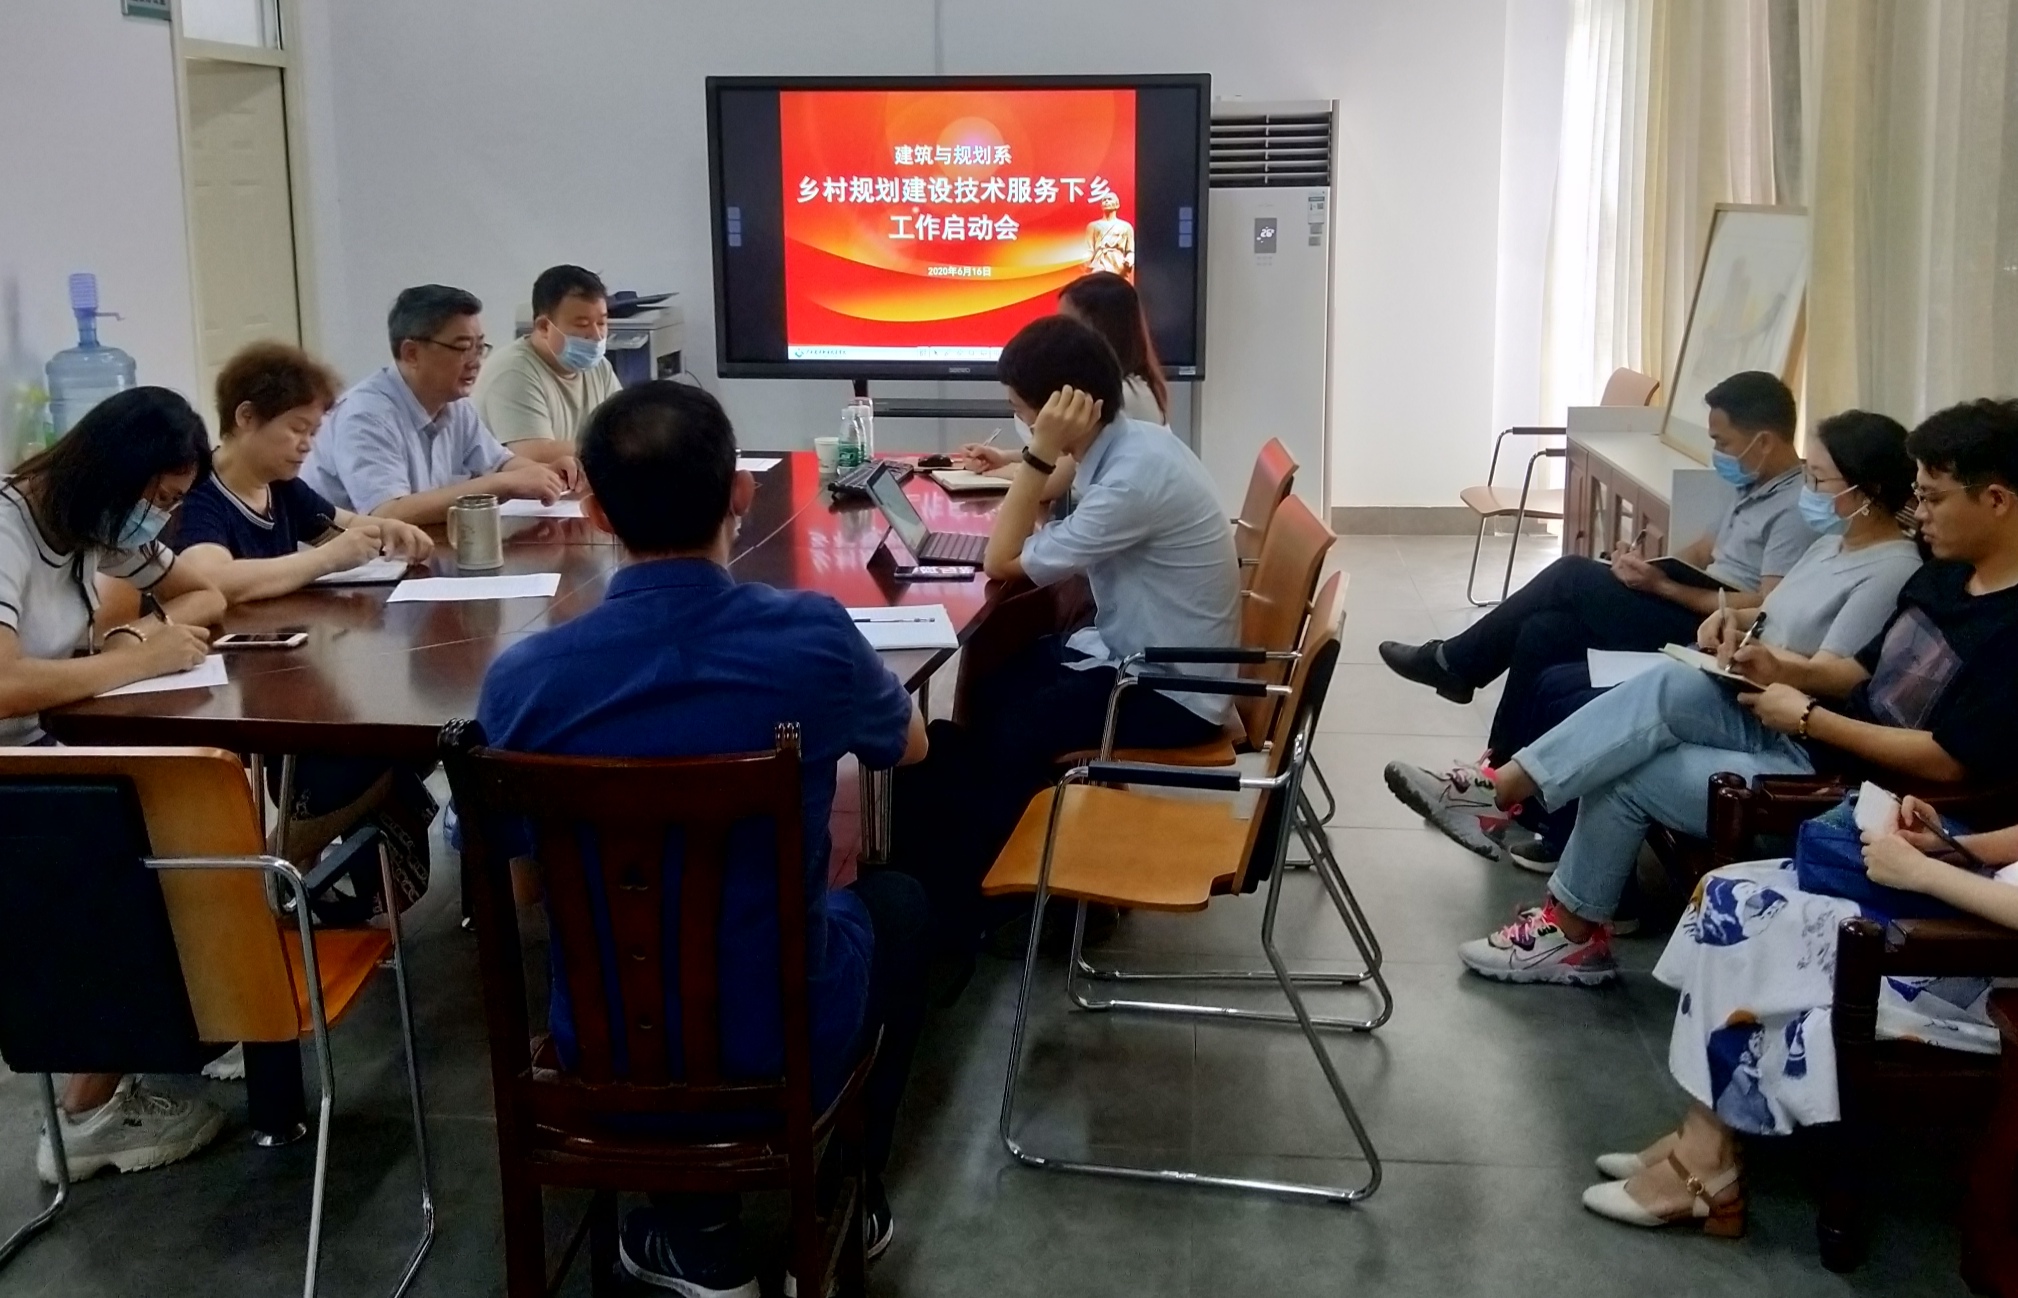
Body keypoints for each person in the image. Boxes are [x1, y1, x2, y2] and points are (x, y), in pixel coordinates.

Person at [475, 380, 931, 1296]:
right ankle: (836, 1202)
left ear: (596, 511)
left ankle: (697, 1232)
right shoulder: (811, 635)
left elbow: (520, 880)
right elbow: (909, 746)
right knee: (898, 906)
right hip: (781, 1037)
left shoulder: (524, 679)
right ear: (740, 492)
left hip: (604, 1049)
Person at [1455, 398, 2018, 986]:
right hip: (1813, 738)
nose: (1918, 513)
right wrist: (1778, 667)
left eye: (1933, 498)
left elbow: (1947, 761)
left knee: (1627, 771)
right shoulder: (1944, 576)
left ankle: (1569, 931)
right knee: (1670, 682)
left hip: (1859, 791)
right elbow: (1859, 671)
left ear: (1997, 500)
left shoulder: (2007, 628)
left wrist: (1809, 718)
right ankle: (1500, 790)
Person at [1390, 410, 1923, 861]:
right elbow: (1769, 607)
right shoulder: (1830, 545)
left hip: (1765, 705)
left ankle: (1490, 770)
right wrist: (1729, 621)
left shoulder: (1891, 570)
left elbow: (1836, 672)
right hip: (1729, 666)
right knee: (1545, 639)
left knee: (1574, 590)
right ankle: (1497, 790)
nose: (1807, 490)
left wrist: (1760, 654)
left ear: (1867, 491)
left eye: (1819, 480)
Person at [894, 315, 1240, 949]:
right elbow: (1034, 528)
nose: (1021, 420)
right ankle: (992, 859)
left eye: (1022, 409)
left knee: (1017, 727)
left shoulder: (1131, 479)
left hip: (1175, 690)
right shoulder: (1130, 446)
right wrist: (1039, 454)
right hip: (1139, 654)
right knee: (997, 685)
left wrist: (1036, 452)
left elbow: (1001, 561)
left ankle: (998, 902)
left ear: (1064, 407)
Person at [1582, 798, 2018, 1234]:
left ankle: (1706, 1164)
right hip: (1973, 902)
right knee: (1729, 887)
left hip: (1980, 970)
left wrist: (1925, 873)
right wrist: (1950, 848)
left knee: (1749, 918)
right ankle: (1704, 1135)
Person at [1, 387, 229, 1184]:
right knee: (149, 855)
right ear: (112, 474)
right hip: (16, 773)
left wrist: (132, 632)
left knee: (203, 809)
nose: (159, 518)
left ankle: (215, 1008)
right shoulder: (10, 527)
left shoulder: (89, 524)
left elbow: (203, 593)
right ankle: (87, 1113)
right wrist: (137, 661)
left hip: (49, 748)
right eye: (158, 497)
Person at [169, 341, 440, 922]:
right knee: (371, 752)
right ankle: (269, 868)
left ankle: (294, 870)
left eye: (313, 432)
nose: (306, 445)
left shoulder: (282, 487)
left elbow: (343, 524)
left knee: (399, 743)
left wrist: (389, 529)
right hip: (221, 688)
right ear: (246, 417)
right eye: (296, 429)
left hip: (281, 672)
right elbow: (215, 580)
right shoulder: (203, 496)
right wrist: (326, 558)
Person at [300, 284, 577, 526]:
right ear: (411, 353)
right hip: (351, 564)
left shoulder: (456, 405)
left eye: (480, 347)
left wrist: (546, 473)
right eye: (463, 347)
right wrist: (502, 485)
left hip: (421, 552)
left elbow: (499, 464)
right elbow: (387, 513)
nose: (475, 361)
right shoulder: (366, 416)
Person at [471, 264, 622, 464]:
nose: (596, 335)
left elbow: (624, 427)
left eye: (601, 323)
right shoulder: (513, 372)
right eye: (582, 324)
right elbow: (535, 454)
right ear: (544, 326)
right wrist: (616, 447)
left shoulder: (599, 366)